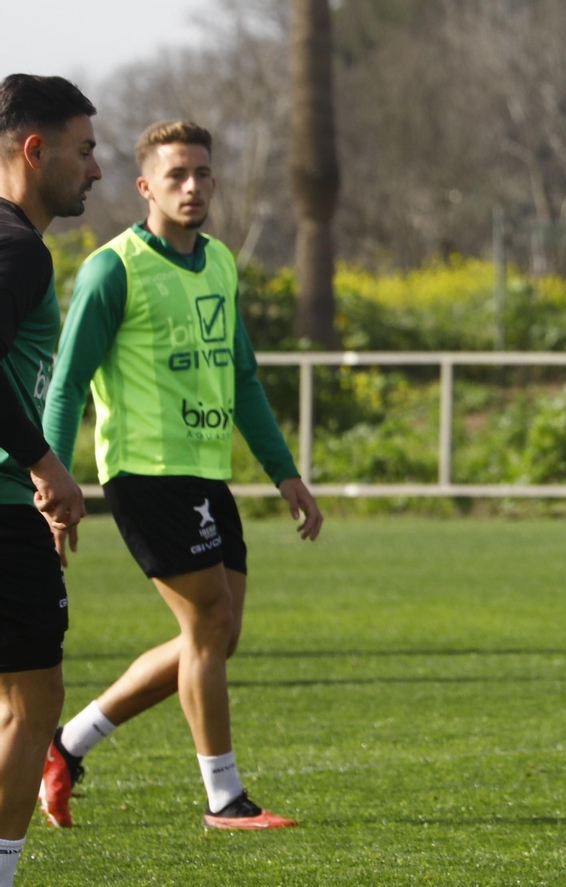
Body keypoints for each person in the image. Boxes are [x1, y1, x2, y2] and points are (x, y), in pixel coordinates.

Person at [37, 120, 322, 830]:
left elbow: (245, 377)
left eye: (201, 174)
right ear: (145, 187)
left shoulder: (221, 262)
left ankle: (67, 745)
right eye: (175, 176)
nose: (191, 187)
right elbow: (67, 384)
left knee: (217, 637)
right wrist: (52, 479)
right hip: (145, 472)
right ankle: (224, 798)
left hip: (206, 473)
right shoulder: (114, 267)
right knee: (210, 623)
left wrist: (285, 472)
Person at [0, 72, 95, 887]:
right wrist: (43, 466)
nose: (93, 170)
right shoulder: (16, 246)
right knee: (33, 707)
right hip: (0, 513)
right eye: (86, 150)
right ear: (36, 150)